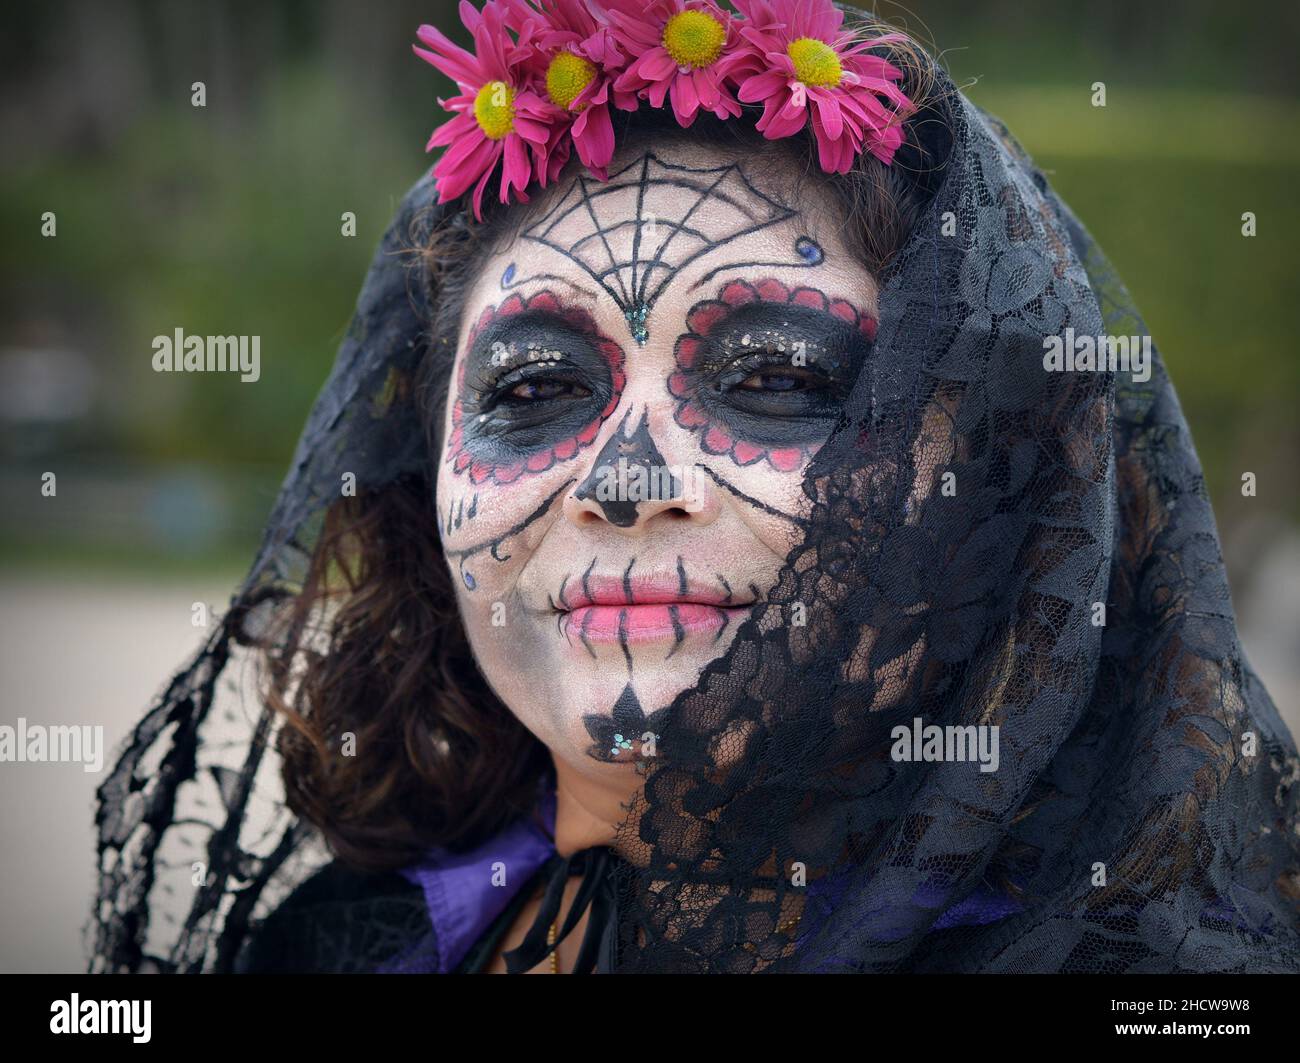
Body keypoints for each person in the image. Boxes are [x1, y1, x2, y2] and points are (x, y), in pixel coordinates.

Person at [89, 0, 1300, 975]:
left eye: (773, 376)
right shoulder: (329, 945)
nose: (627, 481)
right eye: (531, 391)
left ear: (989, 477)